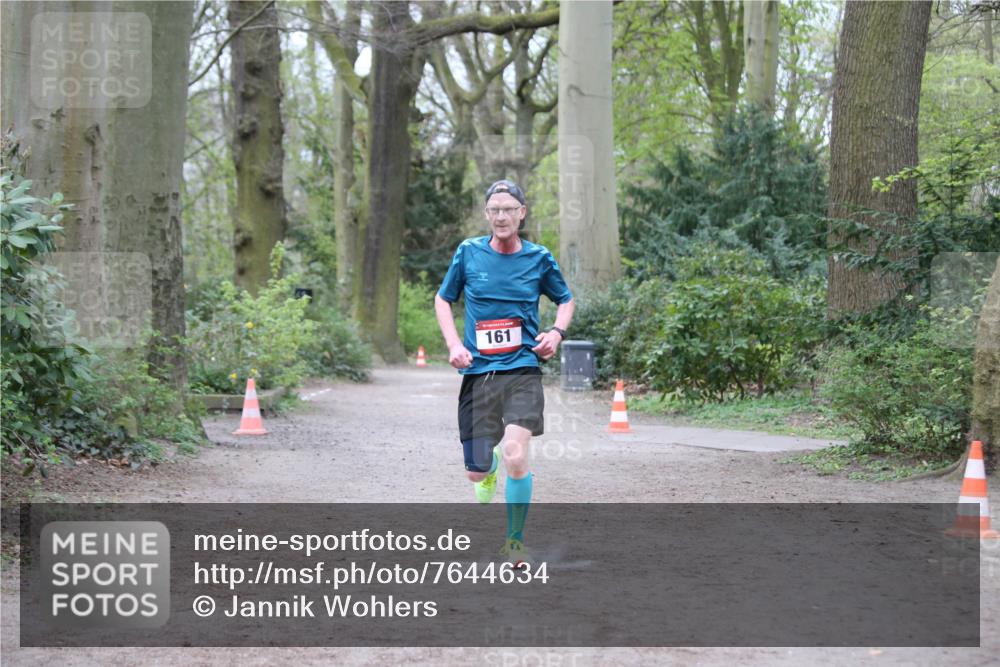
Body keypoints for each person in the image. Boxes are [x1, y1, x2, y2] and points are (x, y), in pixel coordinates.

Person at [435, 179, 575, 565]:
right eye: (494, 209)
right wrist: (454, 345)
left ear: (522, 213)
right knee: (477, 474)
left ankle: (514, 542)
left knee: (517, 453)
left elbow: (565, 299)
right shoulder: (468, 253)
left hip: (523, 369)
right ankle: (488, 468)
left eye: (508, 209)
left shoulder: (538, 258)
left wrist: (556, 333)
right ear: (487, 214)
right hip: (479, 374)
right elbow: (443, 299)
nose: (501, 216)